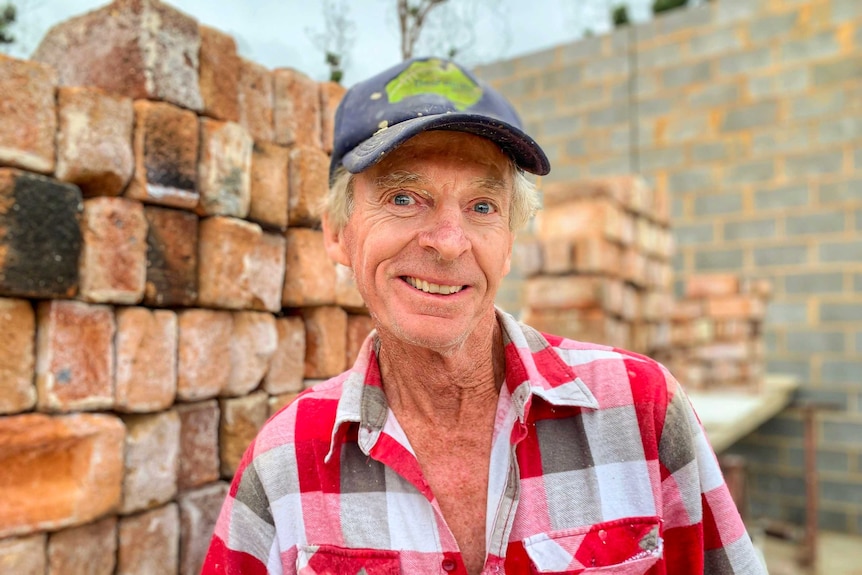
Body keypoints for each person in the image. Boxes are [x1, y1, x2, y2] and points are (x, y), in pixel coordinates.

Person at [202, 57, 765, 575]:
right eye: (403, 197)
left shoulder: (642, 411)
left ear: (510, 243)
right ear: (337, 233)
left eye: (482, 207)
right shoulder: (285, 465)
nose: (449, 243)